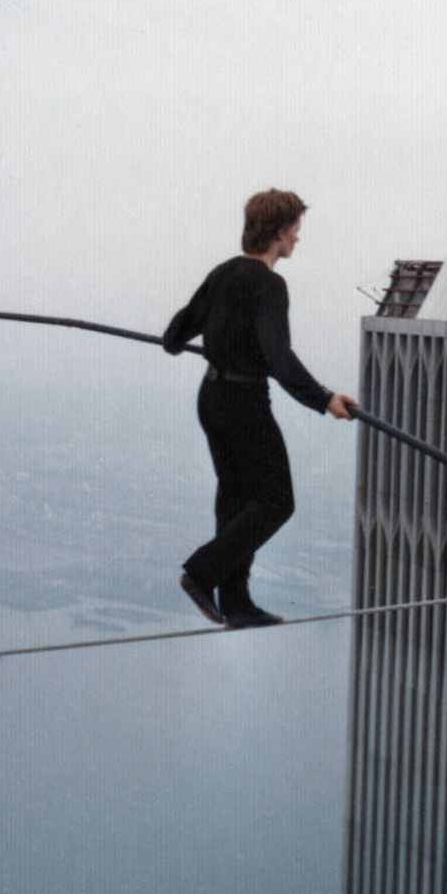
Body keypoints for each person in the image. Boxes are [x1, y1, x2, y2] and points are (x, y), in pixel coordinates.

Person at [162, 189, 356, 628]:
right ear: (279, 232)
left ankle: (235, 601)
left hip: (211, 398)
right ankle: (201, 572)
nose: (298, 239)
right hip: (244, 403)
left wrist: (195, 340)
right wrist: (325, 399)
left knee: (236, 498)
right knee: (275, 501)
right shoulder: (269, 285)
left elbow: (175, 335)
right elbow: (278, 358)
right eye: (295, 230)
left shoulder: (223, 272)